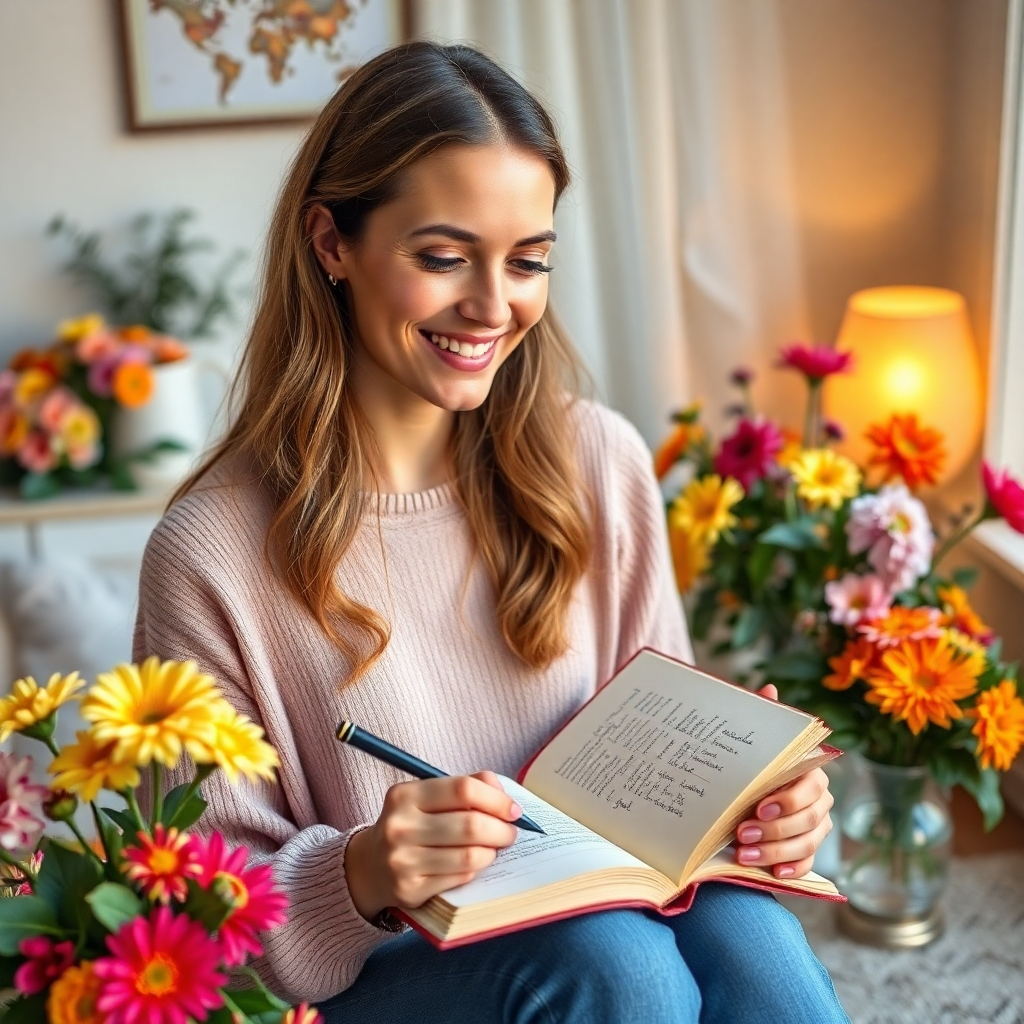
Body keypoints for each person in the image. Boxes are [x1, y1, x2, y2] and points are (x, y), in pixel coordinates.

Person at [134, 40, 849, 1024]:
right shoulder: (208, 551)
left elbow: (673, 817)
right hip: (375, 983)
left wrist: (753, 815)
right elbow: (209, 925)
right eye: (442, 256)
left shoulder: (597, 460)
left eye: (527, 261)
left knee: (749, 931)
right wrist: (365, 868)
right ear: (331, 243)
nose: (491, 305)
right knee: (618, 965)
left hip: (602, 935)